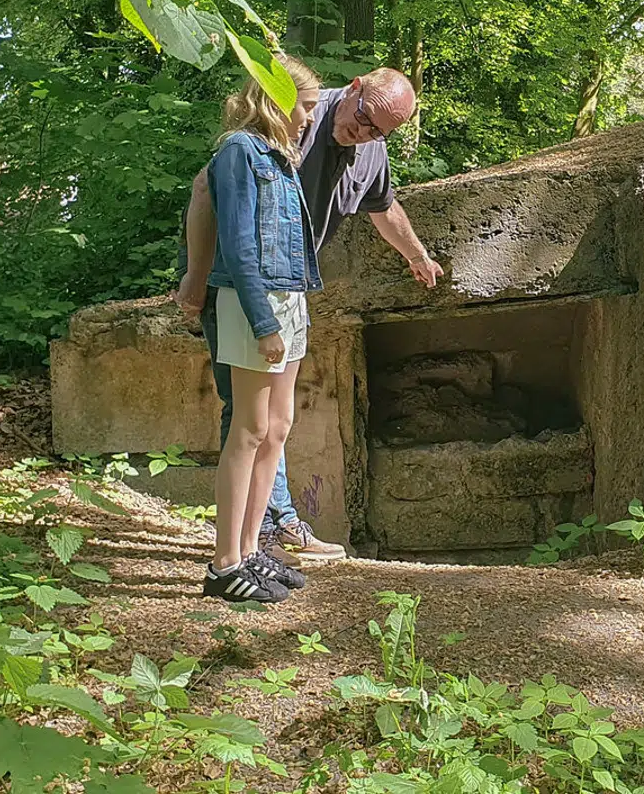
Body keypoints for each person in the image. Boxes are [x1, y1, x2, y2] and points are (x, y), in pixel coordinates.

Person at [175, 67, 444, 566]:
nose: (364, 133)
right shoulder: (291, 116)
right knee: (247, 415)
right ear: (356, 87)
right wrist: (195, 275)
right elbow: (208, 191)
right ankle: (251, 543)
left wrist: (416, 255)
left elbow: (384, 207)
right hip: (239, 284)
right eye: (364, 119)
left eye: (379, 132)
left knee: (276, 421)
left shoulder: (370, 148)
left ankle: (257, 538)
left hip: (292, 290)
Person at [202, 55, 321, 603]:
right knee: (248, 429)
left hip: (291, 295)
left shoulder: (282, 154)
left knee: (278, 427)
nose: (309, 118)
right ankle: (224, 565)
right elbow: (237, 245)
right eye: (305, 107)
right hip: (255, 300)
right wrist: (262, 320)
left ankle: (251, 550)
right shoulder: (238, 152)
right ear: (277, 99)